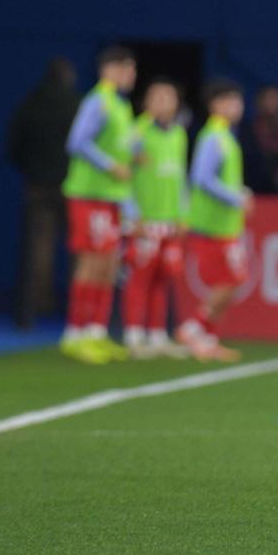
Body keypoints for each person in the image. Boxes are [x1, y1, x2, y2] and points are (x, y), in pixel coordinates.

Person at [60, 47, 137, 364]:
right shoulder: (98, 101)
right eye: (125, 69)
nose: (130, 75)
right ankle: (75, 333)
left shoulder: (121, 105)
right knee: (91, 260)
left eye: (132, 69)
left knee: (109, 263)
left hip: (111, 197)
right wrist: (109, 165)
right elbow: (77, 142)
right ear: (108, 70)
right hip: (89, 193)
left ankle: (96, 331)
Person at [177, 80, 251, 362]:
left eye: (237, 101)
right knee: (230, 280)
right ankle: (194, 327)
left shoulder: (226, 136)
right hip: (210, 225)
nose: (235, 107)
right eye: (228, 101)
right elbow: (202, 178)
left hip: (224, 225)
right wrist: (236, 198)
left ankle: (207, 339)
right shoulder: (214, 137)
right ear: (214, 105)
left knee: (231, 280)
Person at [8, 58, 79, 328]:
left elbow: (14, 145)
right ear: (68, 77)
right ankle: (79, 312)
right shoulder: (76, 104)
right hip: (71, 186)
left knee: (37, 249)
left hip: (37, 185)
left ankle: (34, 307)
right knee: (78, 249)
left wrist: (31, 169)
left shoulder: (30, 104)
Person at [122, 78, 189, 359]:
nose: (163, 103)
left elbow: (180, 176)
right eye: (157, 97)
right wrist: (131, 213)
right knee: (139, 278)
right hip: (144, 219)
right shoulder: (137, 132)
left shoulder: (179, 134)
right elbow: (123, 173)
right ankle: (133, 335)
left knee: (163, 278)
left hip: (169, 220)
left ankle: (157, 334)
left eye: (168, 97)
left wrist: (183, 213)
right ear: (146, 102)